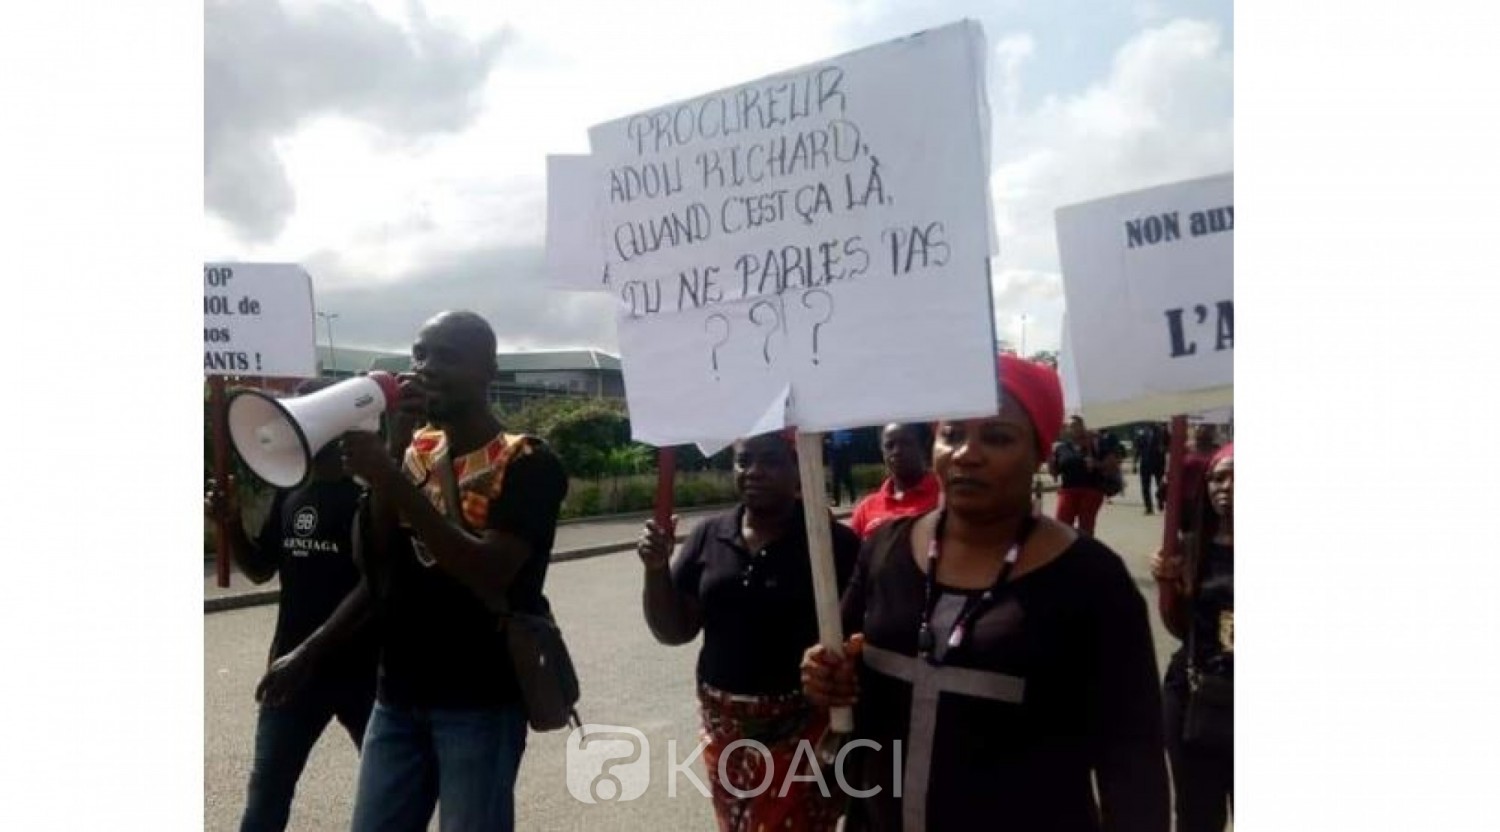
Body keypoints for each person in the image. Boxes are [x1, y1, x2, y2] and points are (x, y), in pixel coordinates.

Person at [802, 355, 1169, 831]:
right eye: (951, 434)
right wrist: (822, 674)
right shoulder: (885, 550)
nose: (966, 453)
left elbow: (1133, 764)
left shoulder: (1093, 581)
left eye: (997, 437)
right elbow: (841, 661)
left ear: (1040, 452)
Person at [319, 310, 568, 832]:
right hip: (397, 696)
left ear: (489, 373)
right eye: (419, 355)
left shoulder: (527, 463)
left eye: (448, 357)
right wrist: (393, 449)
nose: (426, 368)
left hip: (480, 700)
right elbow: (372, 561)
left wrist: (392, 479)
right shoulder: (412, 452)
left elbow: (488, 573)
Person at [637, 431, 861, 832]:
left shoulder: (834, 545)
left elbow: (863, 638)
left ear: (799, 469)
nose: (754, 471)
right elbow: (674, 631)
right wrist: (656, 570)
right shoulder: (709, 535)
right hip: (725, 732)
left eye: (771, 460)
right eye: (743, 460)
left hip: (802, 732)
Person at [205, 379, 377, 832]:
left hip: (362, 674)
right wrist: (232, 525)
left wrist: (306, 655)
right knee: (266, 799)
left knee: (387, 798)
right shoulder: (290, 492)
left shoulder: (371, 499)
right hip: (292, 673)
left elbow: (376, 589)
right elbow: (261, 569)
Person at [1151, 443, 1234, 831]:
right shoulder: (1189, 548)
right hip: (1195, 697)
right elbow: (1179, 628)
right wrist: (1168, 585)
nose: (1227, 487)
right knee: (1197, 814)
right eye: (1218, 477)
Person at [849, 423, 940, 539]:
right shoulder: (865, 509)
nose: (896, 451)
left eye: (906, 443)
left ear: (923, 447)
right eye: (889, 445)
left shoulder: (943, 499)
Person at [1048, 415, 1116, 536]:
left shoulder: (1095, 443)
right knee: (1061, 525)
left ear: (1082, 426)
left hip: (1091, 491)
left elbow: (1112, 464)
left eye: (1075, 424)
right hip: (1068, 491)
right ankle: (1065, 553)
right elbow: (1054, 473)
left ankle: (1085, 552)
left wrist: (1096, 464)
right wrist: (1050, 460)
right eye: (1069, 426)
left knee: (1086, 528)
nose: (1072, 428)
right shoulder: (1061, 448)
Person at [1136, 423, 1168, 515]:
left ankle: (1160, 502)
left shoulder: (1162, 432)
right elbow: (1138, 448)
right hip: (1145, 464)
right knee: (1145, 487)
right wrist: (1135, 463)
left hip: (1158, 464)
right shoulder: (1141, 433)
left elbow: (1169, 445)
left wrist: (1164, 449)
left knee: (1160, 485)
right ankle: (1148, 507)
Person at [827, 429, 858, 506]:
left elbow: (852, 440)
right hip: (835, 454)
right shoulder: (831, 429)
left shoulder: (847, 429)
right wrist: (828, 442)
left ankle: (853, 498)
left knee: (847, 478)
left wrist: (847, 443)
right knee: (835, 479)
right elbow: (826, 439)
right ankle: (836, 501)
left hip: (845, 455)